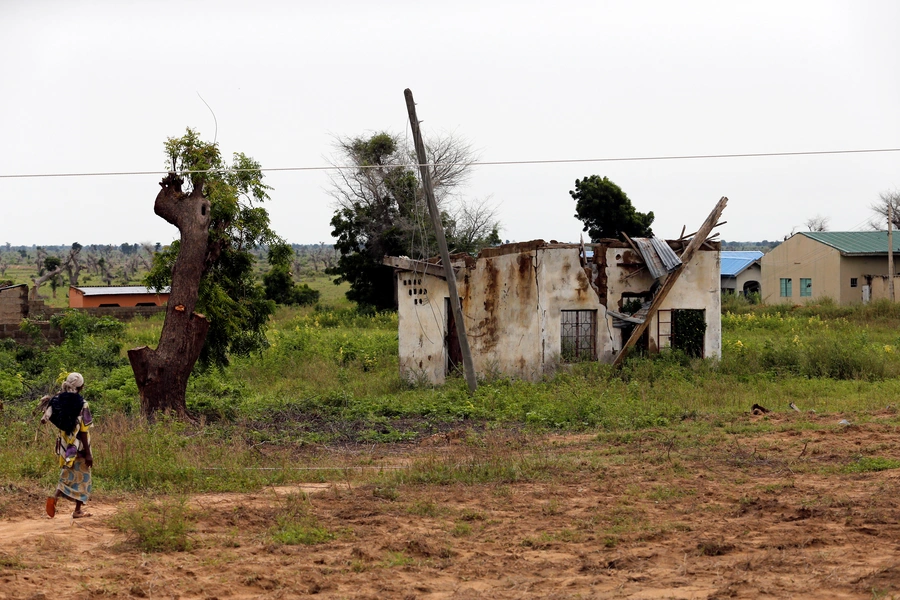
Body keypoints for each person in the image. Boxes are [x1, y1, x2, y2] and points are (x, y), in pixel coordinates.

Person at [39, 372, 93, 518]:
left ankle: (56, 496)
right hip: (79, 446)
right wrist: (88, 453)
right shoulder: (83, 404)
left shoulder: (57, 400)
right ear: (80, 387)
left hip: (65, 445)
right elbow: (83, 430)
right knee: (83, 476)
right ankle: (77, 510)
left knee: (67, 472)